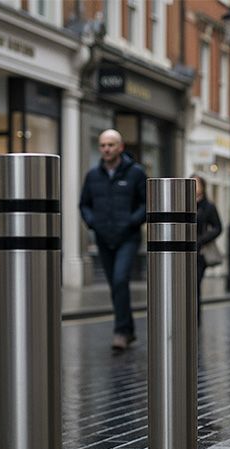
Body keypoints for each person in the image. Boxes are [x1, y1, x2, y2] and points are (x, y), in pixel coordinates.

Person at [80, 129, 147, 352]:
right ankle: (128, 330)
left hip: (128, 237)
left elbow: (147, 203)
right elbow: (84, 204)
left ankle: (120, 331)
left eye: (111, 145)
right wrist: (93, 222)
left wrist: (131, 221)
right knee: (115, 285)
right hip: (103, 237)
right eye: (103, 145)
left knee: (120, 280)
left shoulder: (136, 173)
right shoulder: (93, 175)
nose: (106, 149)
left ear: (120, 147)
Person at [193, 174, 222, 322]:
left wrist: (202, 240)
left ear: (203, 187)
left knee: (194, 283)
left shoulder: (208, 207)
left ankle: (195, 318)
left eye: (196, 183)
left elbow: (218, 228)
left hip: (200, 252)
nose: (194, 186)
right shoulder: (183, 203)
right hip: (183, 251)